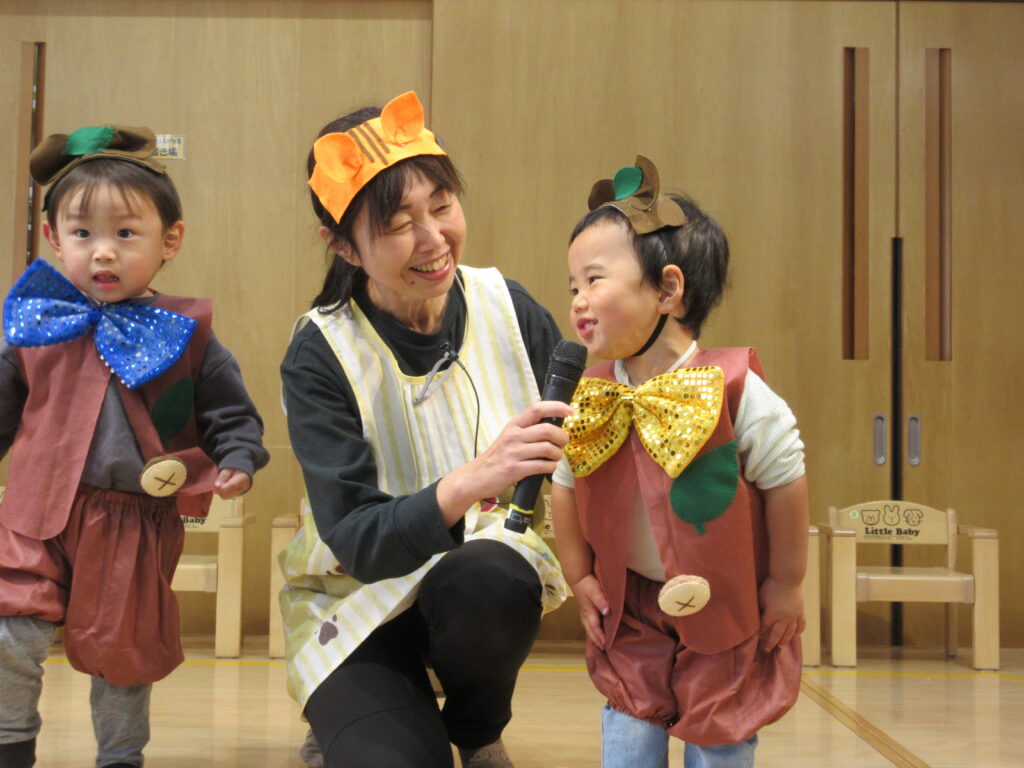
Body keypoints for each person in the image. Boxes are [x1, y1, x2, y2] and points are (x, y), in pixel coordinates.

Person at [278, 91, 569, 768]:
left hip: (474, 587)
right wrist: (474, 478)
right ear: (342, 246)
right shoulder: (321, 351)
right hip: (353, 599)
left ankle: (476, 726)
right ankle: (357, 713)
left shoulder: (509, 308)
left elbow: (582, 454)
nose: (433, 238)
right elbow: (356, 537)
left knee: (490, 577)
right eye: (397, 224)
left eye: (441, 206)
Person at [0, 125, 269, 768]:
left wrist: (238, 458)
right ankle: (10, 744)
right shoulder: (34, 325)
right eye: (82, 233)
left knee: (122, 653)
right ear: (53, 238)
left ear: (169, 240)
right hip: (33, 510)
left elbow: (231, 413)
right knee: (10, 628)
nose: (103, 252)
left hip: (130, 522)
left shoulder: (186, 334)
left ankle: (120, 757)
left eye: (125, 233)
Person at [550, 155, 808, 768]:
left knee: (721, 727)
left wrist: (785, 583)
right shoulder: (590, 393)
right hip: (631, 604)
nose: (579, 300)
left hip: (726, 600)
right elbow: (564, 484)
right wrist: (579, 575)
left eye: (594, 280)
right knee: (629, 721)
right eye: (573, 287)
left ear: (667, 290)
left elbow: (786, 480)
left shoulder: (735, 389)